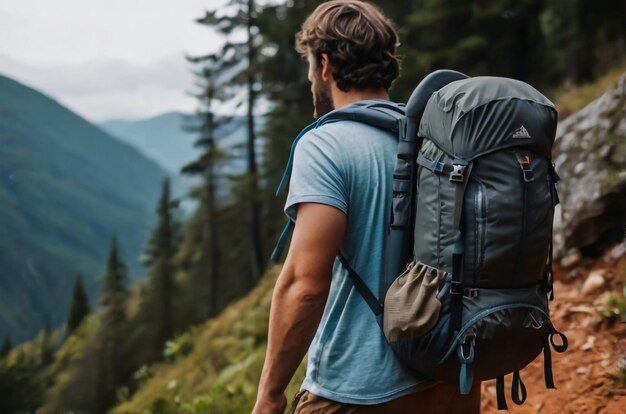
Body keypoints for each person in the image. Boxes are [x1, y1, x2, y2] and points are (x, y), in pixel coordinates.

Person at [253, 1, 481, 413]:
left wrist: (270, 394)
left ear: (324, 66)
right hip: (452, 379)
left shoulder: (325, 145)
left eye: (310, 66)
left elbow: (305, 286)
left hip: (357, 391)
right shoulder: (438, 141)